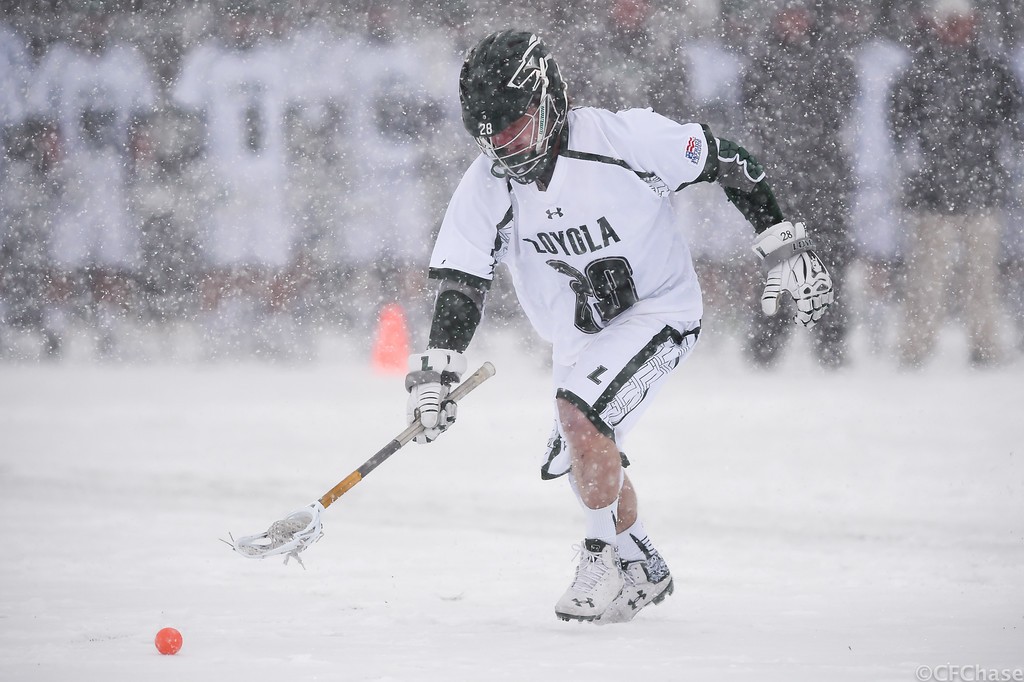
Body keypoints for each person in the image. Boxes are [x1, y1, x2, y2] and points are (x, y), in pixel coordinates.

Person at [402, 30, 834, 624]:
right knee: (586, 459)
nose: (501, 144)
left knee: (580, 418)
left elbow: (730, 161)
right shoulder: (488, 182)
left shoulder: (624, 138)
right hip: (579, 336)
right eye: (487, 131)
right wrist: (438, 368)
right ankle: (643, 564)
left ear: (549, 101)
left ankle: (599, 555)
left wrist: (781, 243)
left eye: (513, 125)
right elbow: (462, 281)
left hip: (660, 309)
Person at [888, 0, 1024, 367]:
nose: (952, 28)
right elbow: (898, 121)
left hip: (983, 189)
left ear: (972, 23)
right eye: (946, 22)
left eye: (959, 22)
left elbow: (1014, 119)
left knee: (983, 277)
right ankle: (915, 348)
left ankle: (985, 346)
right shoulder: (919, 69)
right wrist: (914, 159)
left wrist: (1002, 158)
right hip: (932, 194)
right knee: (926, 279)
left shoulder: (992, 67)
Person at [740, 1, 857, 369]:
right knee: (775, 262)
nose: (793, 22)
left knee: (829, 261)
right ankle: (766, 344)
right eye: (786, 14)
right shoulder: (763, 59)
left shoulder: (831, 56)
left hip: (825, 177)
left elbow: (843, 103)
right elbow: (750, 107)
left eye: (799, 13)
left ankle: (831, 342)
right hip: (780, 177)